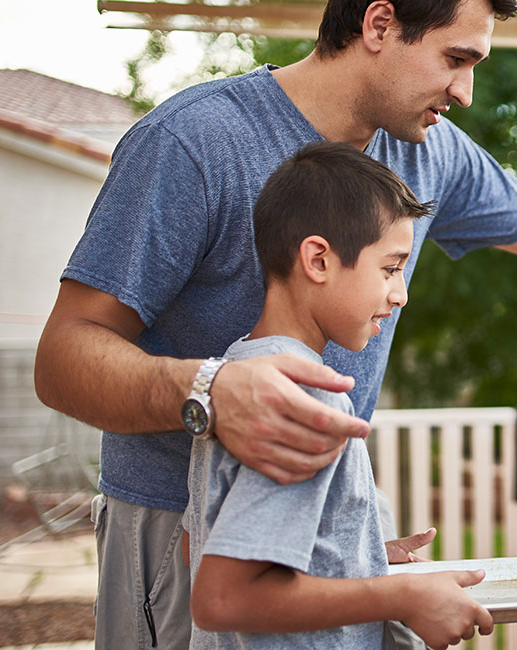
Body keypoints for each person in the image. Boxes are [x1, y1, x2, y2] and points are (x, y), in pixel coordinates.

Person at [33, 0, 517, 648]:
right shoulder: (196, 142)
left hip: (311, 546)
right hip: (177, 535)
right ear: (378, 24)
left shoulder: (428, 153)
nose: (465, 91)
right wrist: (213, 390)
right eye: (455, 59)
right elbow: (63, 357)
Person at [184, 140, 492, 650]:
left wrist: (356, 555)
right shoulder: (308, 397)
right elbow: (223, 598)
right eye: (391, 269)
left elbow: (200, 545)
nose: (401, 293)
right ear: (319, 260)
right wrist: (400, 598)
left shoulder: (238, 374)